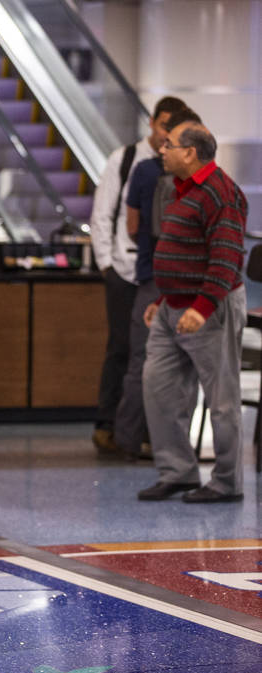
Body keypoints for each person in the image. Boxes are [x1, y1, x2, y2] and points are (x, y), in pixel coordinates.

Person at [138, 120, 248, 503]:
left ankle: (226, 482)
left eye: (168, 145)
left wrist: (202, 307)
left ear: (190, 152)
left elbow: (226, 258)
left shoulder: (221, 193)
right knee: (158, 389)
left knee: (221, 400)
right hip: (172, 308)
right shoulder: (178, 190)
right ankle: (178, 472)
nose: (161, 151)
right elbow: (180, 252)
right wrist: (163, 298)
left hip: (209, 309)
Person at [88, 96, 186, 456]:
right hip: (123, 269)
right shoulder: (127, 159)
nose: (165, 136)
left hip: (152, 273)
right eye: (163, 127)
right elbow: (104, 214)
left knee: (148, 353)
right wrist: (106, 264)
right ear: (153, 124)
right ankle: (107, 426)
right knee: (121, 348)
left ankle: (139, 432)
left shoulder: (174, 167)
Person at [114, 107, 202, 460]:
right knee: (186, 370)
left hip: (153, 278)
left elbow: (133, 227)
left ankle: (128, 440)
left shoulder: (144, 171)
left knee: (144, 364)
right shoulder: (203, 185)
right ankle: (172, 447)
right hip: (186, 285)